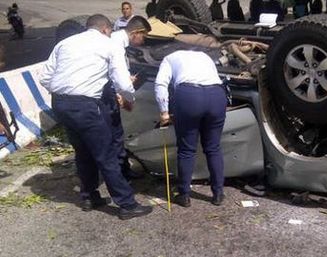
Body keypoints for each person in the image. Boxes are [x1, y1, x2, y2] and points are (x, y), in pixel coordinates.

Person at [39, 14, 152, 220]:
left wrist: (65, 92)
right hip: (86, 105)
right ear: (106, 29)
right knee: (106, 154)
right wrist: (129, 98)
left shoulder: (65, 43)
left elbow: (44, 77)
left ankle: (90, 196)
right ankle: (127, 204)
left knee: (83, 151)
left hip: (60, 104)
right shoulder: (108, 45)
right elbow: (123, 82)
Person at [155, 50, 227, 207]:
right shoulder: (204, 55)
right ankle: (218, 193)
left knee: (187, 150)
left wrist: (164, 111)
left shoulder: (168, 58)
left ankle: (184, 195)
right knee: (213, 147)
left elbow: (160, 84)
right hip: (217, 95)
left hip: (189, 96)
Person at [105, 15, 152, 181]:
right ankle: (119, 175)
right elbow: (121, 83)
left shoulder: (115, 40)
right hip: (104, 97)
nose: (143, 41)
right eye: (143, 37)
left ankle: (122, 170)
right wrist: (128, 99)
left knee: (115, 135)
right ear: (136, 33)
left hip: (104, 93)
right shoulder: (116, 45)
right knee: (113, 136)